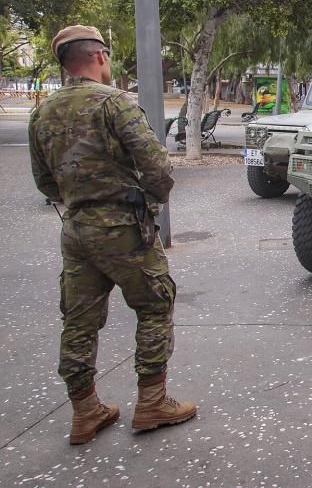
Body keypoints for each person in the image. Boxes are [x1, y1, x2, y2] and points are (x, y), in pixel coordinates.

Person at [28, 25, 197, 445]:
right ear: (100, 57)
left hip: (76, 229)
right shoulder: (114, 103)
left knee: (79, 321)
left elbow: (45, 184)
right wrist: (154, 198)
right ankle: (152, 402)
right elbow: (157, 166)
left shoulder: (42, 112)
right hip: (122, 227)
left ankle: (86, 413)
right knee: (155, 306)